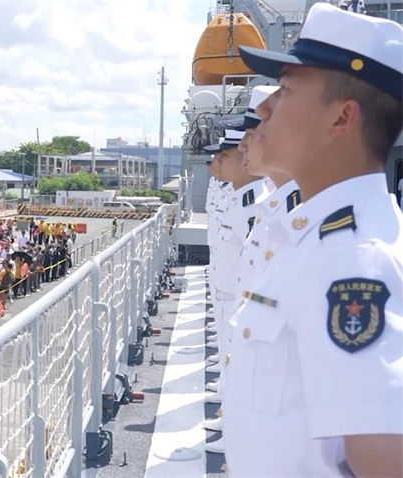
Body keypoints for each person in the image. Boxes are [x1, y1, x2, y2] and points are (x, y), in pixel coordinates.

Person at [222, 5, 403, 476]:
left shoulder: (352, 261)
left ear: (342, 119)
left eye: (284, 90)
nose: (262, 108)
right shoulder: (314, 242)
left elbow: (384, 460)